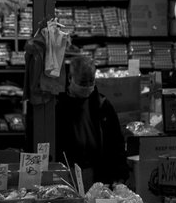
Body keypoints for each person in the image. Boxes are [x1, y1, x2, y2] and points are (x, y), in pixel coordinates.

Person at [55, 55, 130, 185]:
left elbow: (116, 141)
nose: (88, 86)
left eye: (91, 81)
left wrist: (120, 174)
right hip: (67, 172)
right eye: (83, 83)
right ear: (70, 78)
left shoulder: (103, 105)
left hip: (98, 173)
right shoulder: (58, 106)